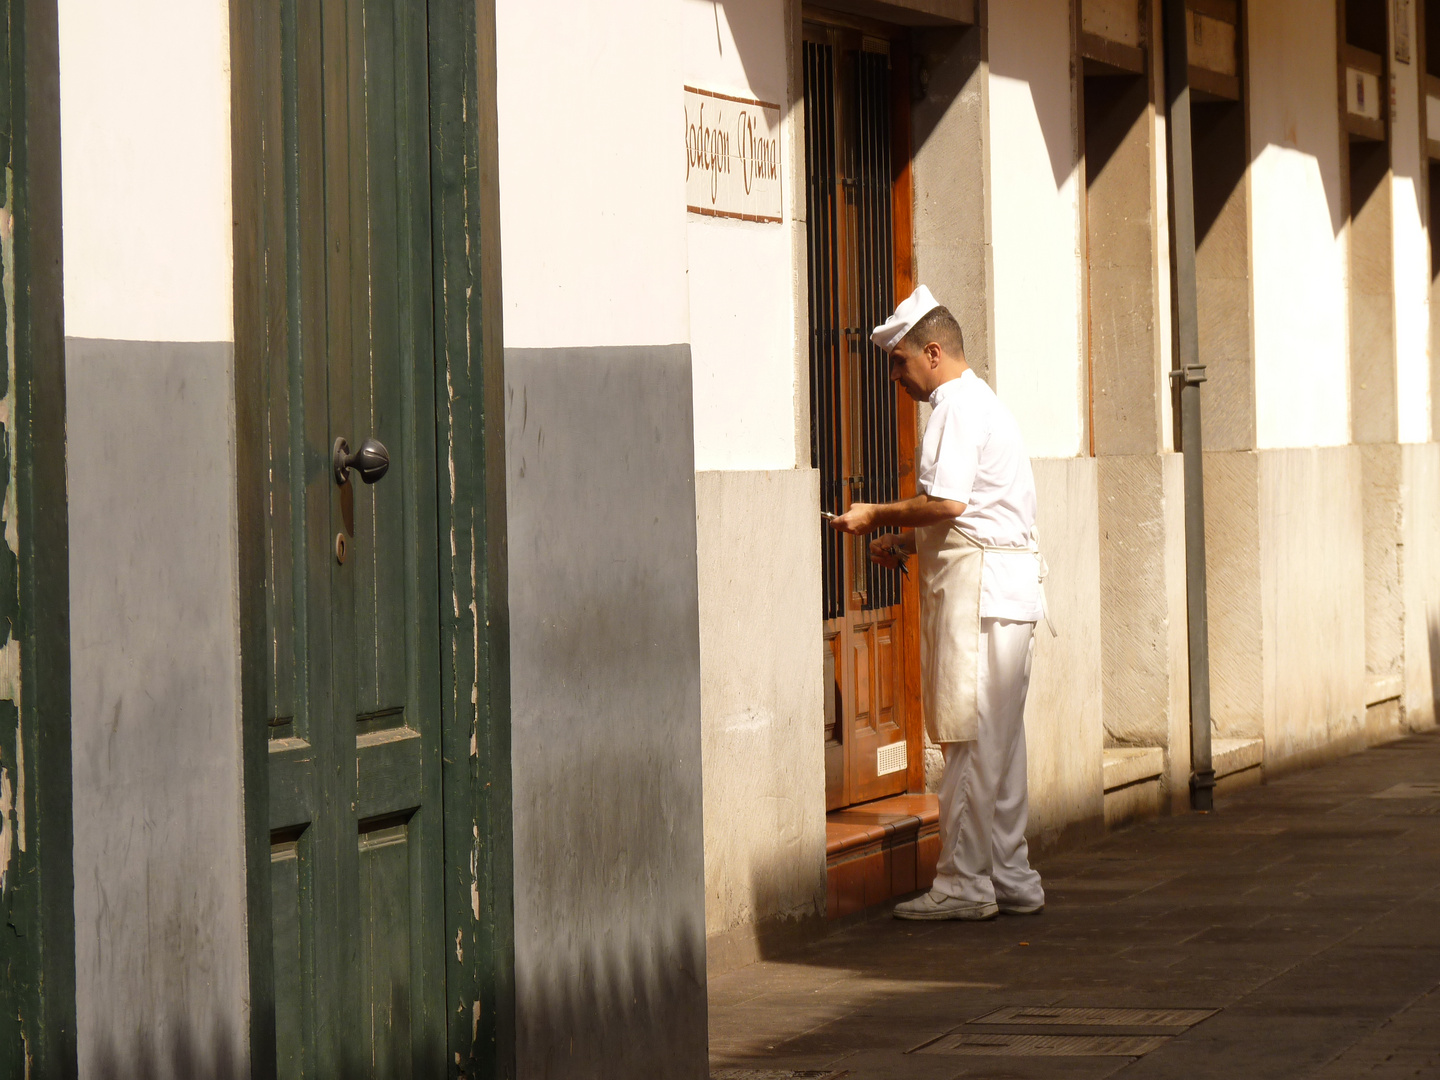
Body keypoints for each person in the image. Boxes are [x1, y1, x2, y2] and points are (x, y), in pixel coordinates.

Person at [829, 284, 1047, 922]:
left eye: (899, 362)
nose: (896, 377)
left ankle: (962, 883)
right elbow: (969, 514)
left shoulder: (954, 406)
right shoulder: (983, 404)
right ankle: (1009, 875)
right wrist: (907, 537)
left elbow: (950, 504)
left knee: (969, 741)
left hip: (981, 599)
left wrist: (875, 515)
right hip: (1004, 593)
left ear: (931, 352)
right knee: (999, 747)